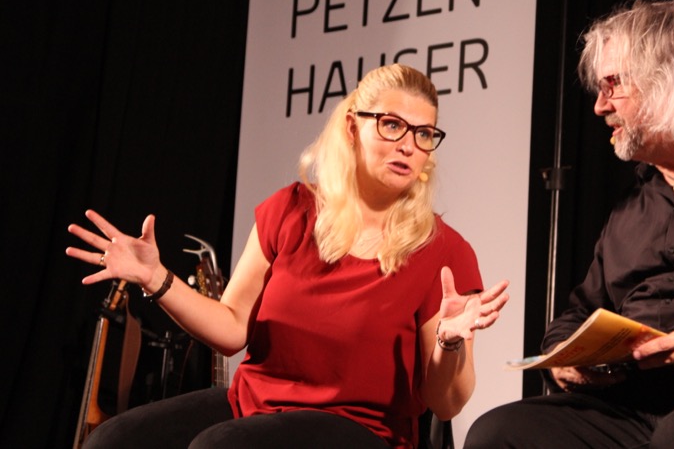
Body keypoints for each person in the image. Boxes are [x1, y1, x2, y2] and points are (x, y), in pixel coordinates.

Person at [67, 63, 510, 449]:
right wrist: (156, 277)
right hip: (252, 407)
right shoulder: (290, 210)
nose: (409, 145)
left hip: (361, 430)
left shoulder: (444, 251)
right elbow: (231, 327)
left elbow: (446, 403)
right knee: (114, 440)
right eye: (392, 125)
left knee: (221, 447)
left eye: (424, 133)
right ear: (352, 128)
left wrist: (449, 343)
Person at [464, 0, 674, 448]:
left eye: (613, 85)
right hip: (634, 403)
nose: (600, 107)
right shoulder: (634, 202)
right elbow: (581, 313)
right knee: (499, 433)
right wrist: (564, 358)